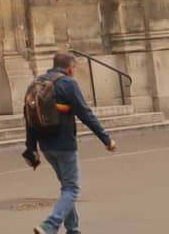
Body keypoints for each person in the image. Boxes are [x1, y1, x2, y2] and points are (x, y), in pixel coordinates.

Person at [23, 50, 117, 234]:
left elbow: (28, 116)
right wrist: (106, 139)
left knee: (66, 187)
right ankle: (49, 225)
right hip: (64, 144)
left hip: (46, 145)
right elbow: (85, 113)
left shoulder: (36, 83)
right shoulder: (68, 84)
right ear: (71, 69)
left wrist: (31, 147)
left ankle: (73, 230)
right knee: (72, 188)